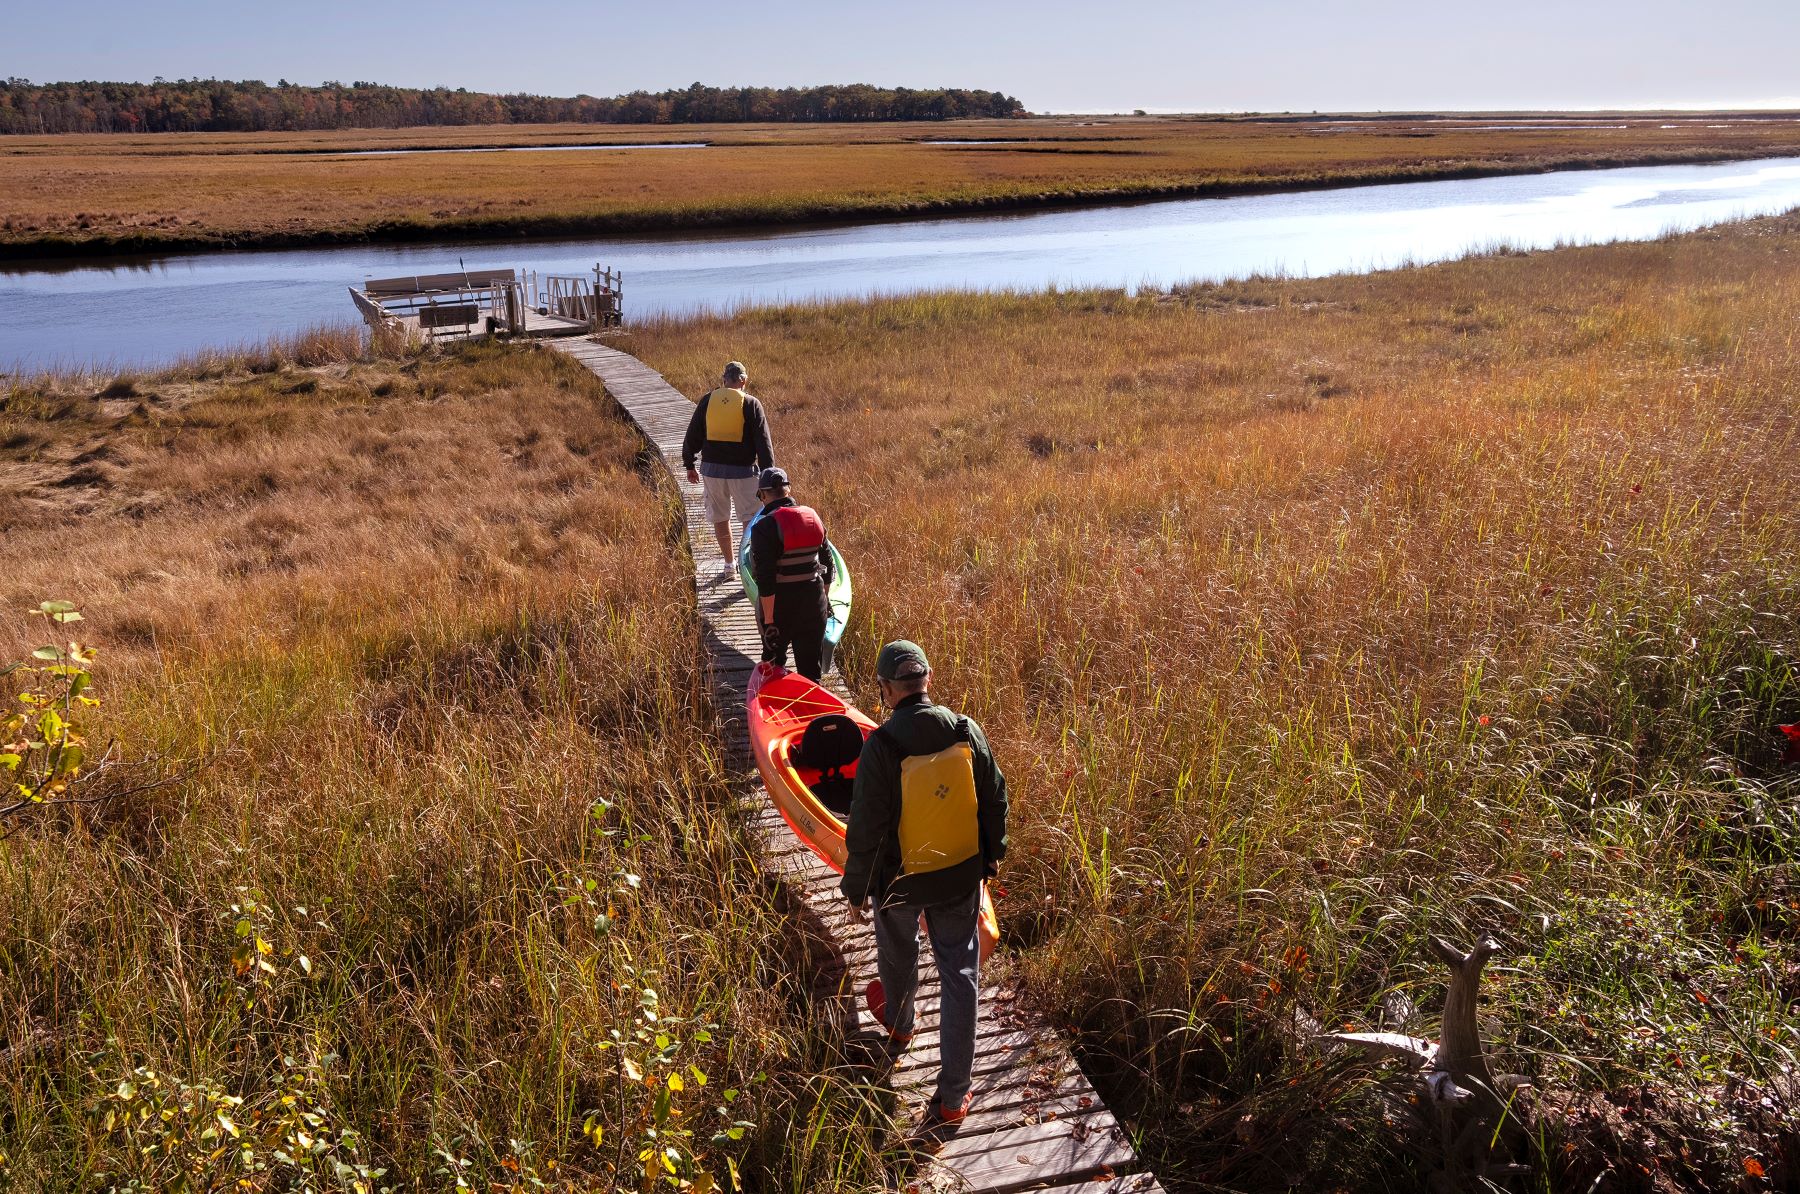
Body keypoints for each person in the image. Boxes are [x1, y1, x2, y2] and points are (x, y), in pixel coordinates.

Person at [841, 641, 1008, 1128]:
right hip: (960, 874)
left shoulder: (881, 747)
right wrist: (990, 859)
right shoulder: (965, 730)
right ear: (927, 680)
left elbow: (866, 831)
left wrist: (856, 890)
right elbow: (996, 801)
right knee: (960, 976)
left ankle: (899, 1024)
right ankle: (954, 1098)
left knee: (898, 948)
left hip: (901, 882)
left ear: (886, 689)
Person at [681, 361, 775, 562]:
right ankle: (746, 564)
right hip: (744, 473)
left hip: (711, 472)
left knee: (720, 518)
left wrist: (689, 464)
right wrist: (768, 476)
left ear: (724, 380)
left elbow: (692, 435)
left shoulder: (708, 401)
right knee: (750, 521)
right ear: (744, 381)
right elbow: (763, 443)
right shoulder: (751, 403)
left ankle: (729, 564)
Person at [747, 467, 834, 682]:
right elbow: (828, 566)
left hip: (780, 608)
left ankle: (773, 708)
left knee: (773, 666)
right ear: (788, 490)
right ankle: (813, 712)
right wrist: (825, 601)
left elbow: (766, 580)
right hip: (814, 602)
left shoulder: (763, 527)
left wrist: (769, 622)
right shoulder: (813, 518)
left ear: (764, 495)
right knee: (810, 671)